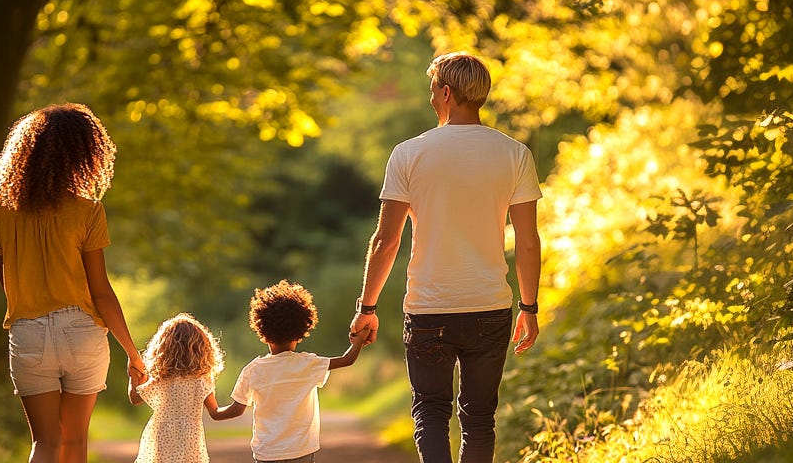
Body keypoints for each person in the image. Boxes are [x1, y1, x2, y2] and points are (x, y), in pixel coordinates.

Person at [349, 52, 543, 463]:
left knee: (431, 413)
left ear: (447, 91)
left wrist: (367, 307)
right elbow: (527, 241)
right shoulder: (515, 154)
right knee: (478, 419)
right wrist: (529, 306)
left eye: (433, 90)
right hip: (490, 306)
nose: (432, 99)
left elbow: (386, 241)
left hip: (428, 308)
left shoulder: (407, 153)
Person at [0, 103, 145, 463]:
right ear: (82, 155)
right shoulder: (87, 210)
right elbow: (100, 291)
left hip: (28, 332)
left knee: (45, 442)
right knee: (74, 443)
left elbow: (7, 284)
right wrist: (133, 355)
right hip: (81, 332)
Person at [207, 279, 370, 463]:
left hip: (266, 453)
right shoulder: (307, 364)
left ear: (263, 333)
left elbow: (235, 410)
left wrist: (210, 403)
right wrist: (359, 340)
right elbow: (347, 360)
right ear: (300, 332)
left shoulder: (253, 370)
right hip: (301, 451)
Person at [128, 313, 225, 463]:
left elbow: (135, 398)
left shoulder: (162, 379)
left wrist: (133, 377)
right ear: (201, 349)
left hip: (162, 436)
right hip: (190, 438)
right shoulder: (202, 380)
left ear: (164, 349)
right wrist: (240, 405)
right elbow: (215, 412)